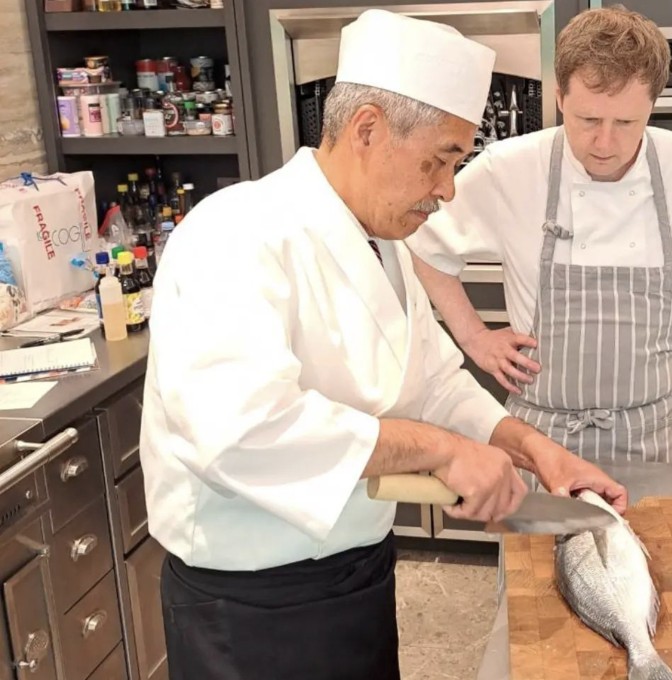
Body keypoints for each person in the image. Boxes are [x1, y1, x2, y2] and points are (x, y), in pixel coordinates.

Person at [139, 10, 626, 680]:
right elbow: (243, 429)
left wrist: (535, 451)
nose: (448, 190)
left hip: (358, 576)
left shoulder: (381, 243)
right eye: (439, 160)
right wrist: (443, 450)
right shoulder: (236, 234)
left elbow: (435, 379)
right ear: (367, 129)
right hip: (252, 611)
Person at [407, 6, 672, 467]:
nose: (605, 144)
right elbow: (425, 244)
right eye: (587, 120)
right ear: (560, 97)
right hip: (540, 439)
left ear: (652, 106)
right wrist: (474, 337)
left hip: (655, 437)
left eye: (625, 123)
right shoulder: (510, 168)